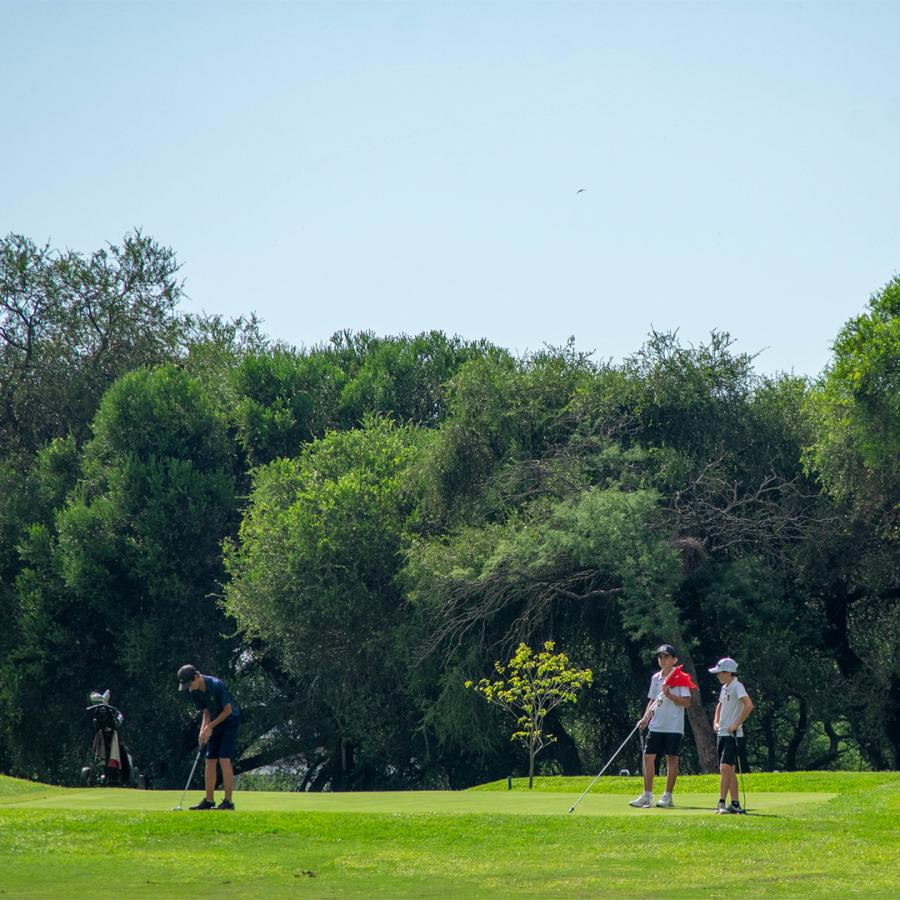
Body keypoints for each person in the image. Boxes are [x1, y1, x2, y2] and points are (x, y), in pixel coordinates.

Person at [629, 644, 693, 808]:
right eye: (660, 657)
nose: (662, 660)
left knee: (671, 759)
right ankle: (647, 794)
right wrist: (646, 717)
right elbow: (652, 700)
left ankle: (667, 796)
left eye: (666, 657)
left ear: (674, 660)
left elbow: (686, 702)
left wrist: (669, 695)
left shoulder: (681, 678)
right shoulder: (656, 678)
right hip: (656, 725)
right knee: (648, 757)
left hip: (673, 726)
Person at [177, 664, 240, 810]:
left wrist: (210, 727)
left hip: (230, 721)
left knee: (224, 759)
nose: (189, 687)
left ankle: (228, 802)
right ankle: (209, 800)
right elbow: (206, 712)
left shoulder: (216, 685)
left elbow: (227, 711)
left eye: (190, 683)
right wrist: (203, 730)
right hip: (214, 722)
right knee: (210, 760)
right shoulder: (194, 692)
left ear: (197, 677)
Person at [709, 656, 753, 815]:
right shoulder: (725, 688)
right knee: (730, 770)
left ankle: (721, 802)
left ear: (729, 673)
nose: (718, 675)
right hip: (722, 734)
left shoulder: (737, 686)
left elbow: (749, 705)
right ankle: (735, 803)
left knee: (725, 768)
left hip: (733, 735)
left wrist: (736, 724)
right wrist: (716, 721)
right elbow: (720, 705)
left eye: (720, 673)